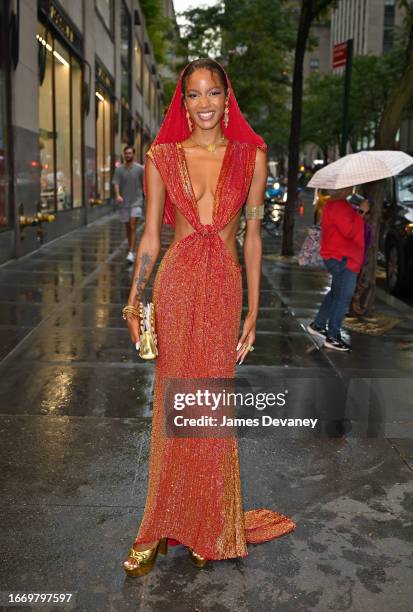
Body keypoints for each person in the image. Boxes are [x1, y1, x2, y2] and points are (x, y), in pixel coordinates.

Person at [121, 58, 295, 577]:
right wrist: (136, 298)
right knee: (173, 406)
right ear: (182, 100)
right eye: (193, 95)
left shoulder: (252, 156)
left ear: (227, 97)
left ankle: (207, 523)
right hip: (175, 285)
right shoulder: (161, 156)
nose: (203, 105)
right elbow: (150, 237)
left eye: (212, 93)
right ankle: (159, 525)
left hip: (223, 288)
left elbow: (255, 237)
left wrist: (255, 310)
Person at [307, 186, 369, 351]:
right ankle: (333, 336)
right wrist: (361, 212)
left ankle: (319, 324)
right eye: (349, 186)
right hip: (343, 258)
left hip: (338, 256)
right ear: (342, 188)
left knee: (336, 292)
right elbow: (349, 231)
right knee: (342, 297)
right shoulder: (339, 205)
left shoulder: (334, 204)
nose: (352, 188)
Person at [112, 145, 144, 263]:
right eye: (126, 153)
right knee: (127, 228)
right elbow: (116, 183)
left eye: (130, 153)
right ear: (124, 155)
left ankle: (131, 251)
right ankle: (131, 249)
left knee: (132, 226)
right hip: (124, 203)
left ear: (133, 154)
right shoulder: (119, 169)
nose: (128, 155)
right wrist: (117, 195)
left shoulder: (140, 169)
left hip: (137, 202)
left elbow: (145, 184)